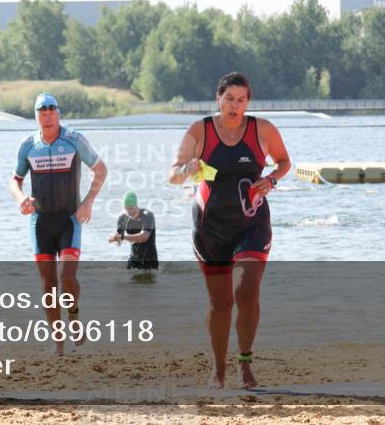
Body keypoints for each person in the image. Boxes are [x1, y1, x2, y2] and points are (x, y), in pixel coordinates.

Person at [168, 72, 290, 389]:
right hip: (209, 227)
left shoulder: (262, 129)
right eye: (229, 99)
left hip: (252, 222)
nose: (234, 106)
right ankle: (219, 370)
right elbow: (173, 175)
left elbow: (283, 161)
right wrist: (187, 169)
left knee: (246, 291)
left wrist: (272, 180)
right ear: (218, 98)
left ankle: (245, 364)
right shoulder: (200, 130)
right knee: (220, 304)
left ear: (248, 102)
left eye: (241, 100)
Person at [9, 92, 108, 354]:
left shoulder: (74, 140)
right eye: (42, 111)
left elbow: (100, 169)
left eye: (52, 111)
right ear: (37, 116)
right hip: (40, 222)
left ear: (59, 114)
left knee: (67, 277)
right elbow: (15, 179)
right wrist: (21, 198)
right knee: (48, 284)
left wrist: (88, 202)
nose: (47, 115)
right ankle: (58, 340)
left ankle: (74, 318)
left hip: (69, 220)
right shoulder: (28, 145)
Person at [108, 192, 159, 271]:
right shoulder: (123, 218)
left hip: (150, 260)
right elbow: (119, 241)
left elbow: (144, 237)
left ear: (137, 205)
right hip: (133, 261)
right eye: (127, 209)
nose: (129, 211)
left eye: (131, 208)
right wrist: (115, 239)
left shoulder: (147, 215)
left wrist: (122, 237)